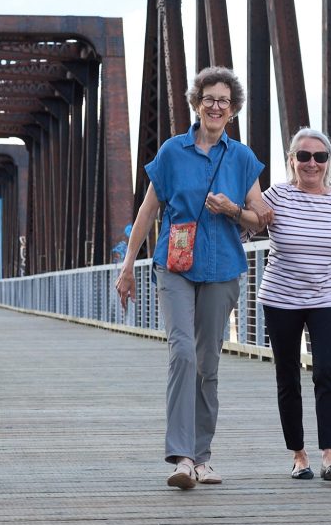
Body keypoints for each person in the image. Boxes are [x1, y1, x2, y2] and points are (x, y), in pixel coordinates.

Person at [115, 66, 272, 490]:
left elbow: (261, 219)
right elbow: (148, 211)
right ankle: (181, 457)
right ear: (196, 104)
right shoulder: (171, 151)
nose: (216, 106)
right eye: (209, 99)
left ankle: (203, 457)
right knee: (182, 352)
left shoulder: (241, 158)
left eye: (224, 100)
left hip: (222, 267)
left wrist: (233, 211)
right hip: (174, 263)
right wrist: (128, 264)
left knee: (208, 363)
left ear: (233, 109)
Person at [256, 128, 331, 482]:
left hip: (326, 296)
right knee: (288, 374)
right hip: (280, 296)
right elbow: (249, 221)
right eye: (303, 156)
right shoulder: (276, 196)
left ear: (328, 162)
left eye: (319, 156)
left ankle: (330, 455)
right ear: (291, 161)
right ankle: (299, 456)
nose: (311, 163)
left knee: (326, 370)